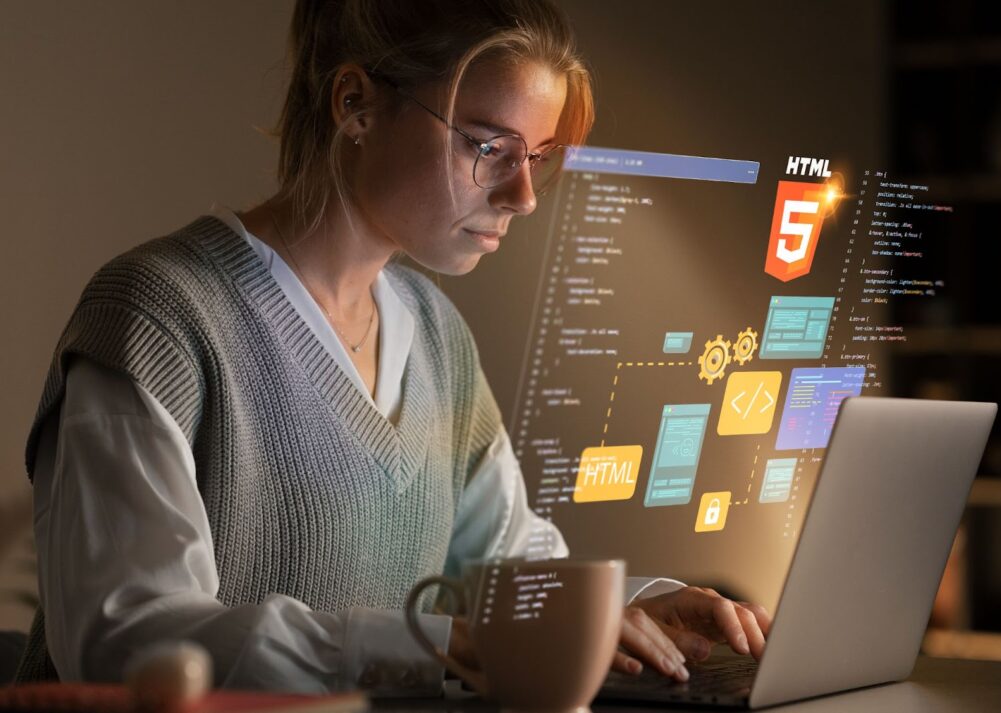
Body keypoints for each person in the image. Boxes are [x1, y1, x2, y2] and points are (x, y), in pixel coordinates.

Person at [19, 0, 770, 695]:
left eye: (536, 157)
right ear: (356, 104)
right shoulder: (159, 315)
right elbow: (127, 637)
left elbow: (510, 573)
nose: (523, 196)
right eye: (487, 145)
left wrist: (638, 607)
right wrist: (424, 647)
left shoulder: (437, 336)